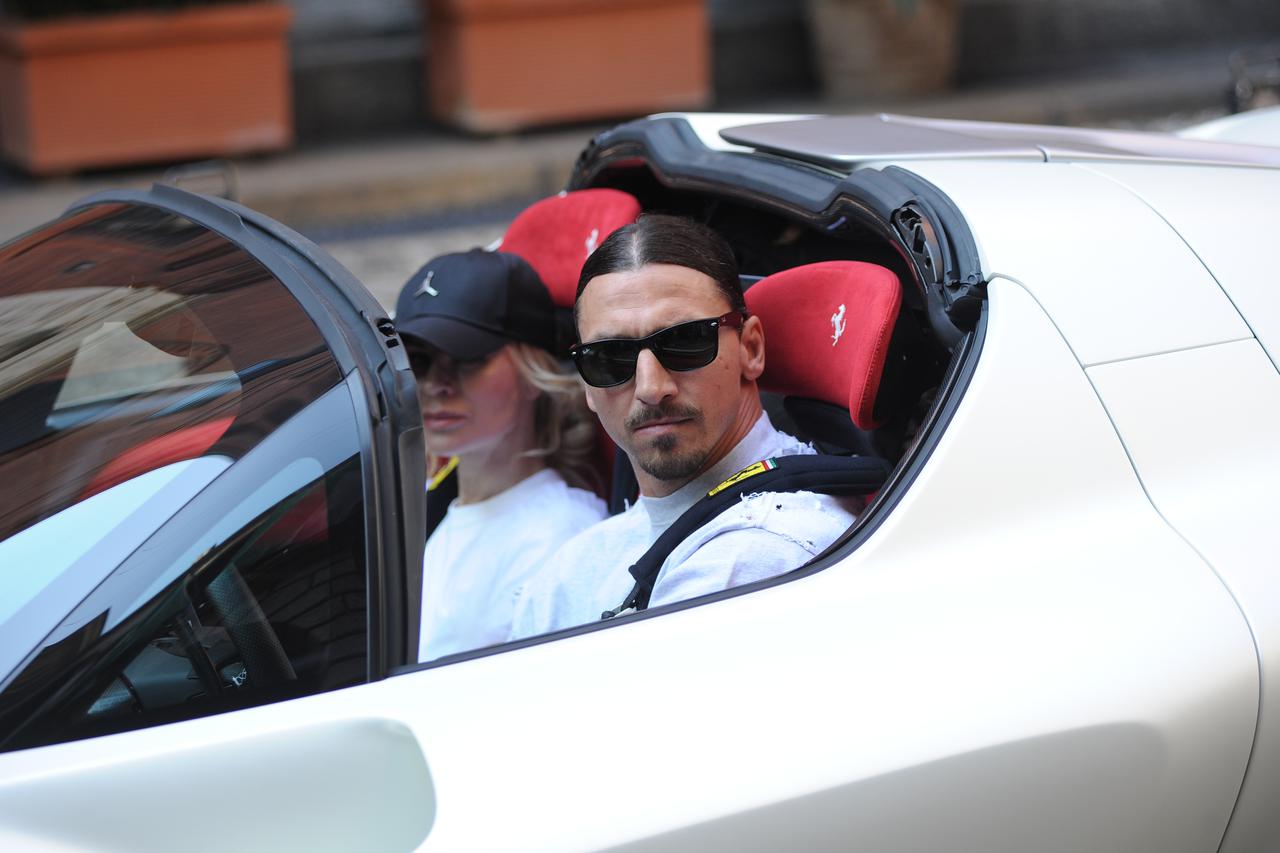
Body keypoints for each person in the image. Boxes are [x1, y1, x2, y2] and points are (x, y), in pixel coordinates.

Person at [510, 215, 857, 637]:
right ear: (586, 382)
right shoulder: (571, 567)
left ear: (751, 347)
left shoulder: (755, 555)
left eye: (685, 341)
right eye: (609, 358)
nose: (652, 388)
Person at [396, 249, 606, 661]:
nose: (436, 384)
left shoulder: (565, 539)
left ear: (535, 372)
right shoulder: (425, 508)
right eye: (418, 361)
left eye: (465, 358)